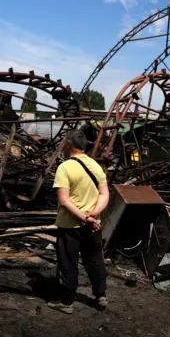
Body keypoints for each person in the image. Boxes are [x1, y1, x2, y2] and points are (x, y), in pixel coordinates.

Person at [47, 130, 110, 314]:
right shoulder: (96, 167)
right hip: (93, 225)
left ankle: (66, 302)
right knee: (95, 259)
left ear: (68, 145)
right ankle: (101, 296)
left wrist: (84, 218)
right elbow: (105, 194)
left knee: (68, 262)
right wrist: (94, 215)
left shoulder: (65, 168)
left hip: (70, 226)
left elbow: (64, 201)